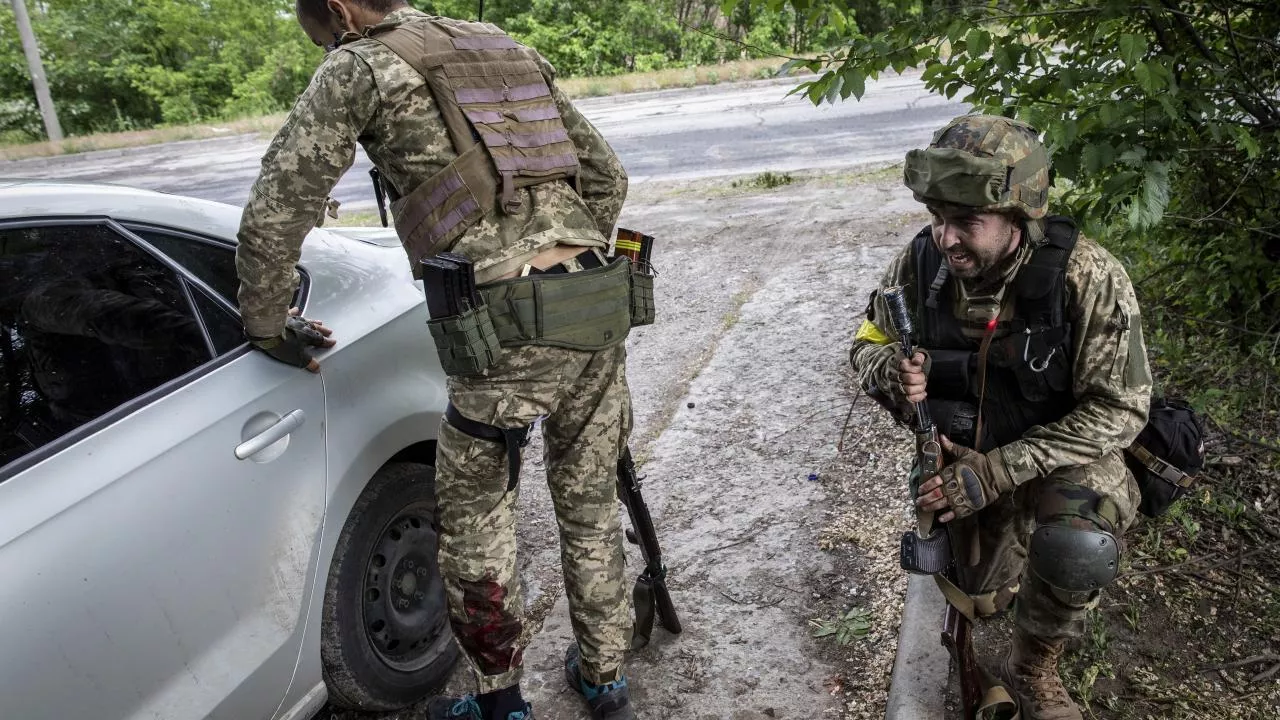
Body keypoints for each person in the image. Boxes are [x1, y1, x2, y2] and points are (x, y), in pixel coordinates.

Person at [234, 1, 639, 719]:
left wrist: (268, 322)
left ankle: (498, 703)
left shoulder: (357, 65)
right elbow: (606, 175)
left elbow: (280, 201)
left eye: (313, 28)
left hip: (503, 329)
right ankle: (605, 677)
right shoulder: (499, 44)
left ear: (335, 11)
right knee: (589, 503)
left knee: (478, 521)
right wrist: (569, 261)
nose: (318, 41)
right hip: (600, 303)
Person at [849, 114, 1152, 719]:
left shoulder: (1086, 276)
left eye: (967, 223)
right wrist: (890, 370)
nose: (946, 238)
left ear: (1020, 216)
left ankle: (1034, 667)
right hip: (959, 456)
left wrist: (1000, 471)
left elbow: (1121, 409)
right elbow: (863, 344)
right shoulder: (919, 265)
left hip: (1054, 457)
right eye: (937, 219)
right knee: (979, 596)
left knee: (1078, 547)